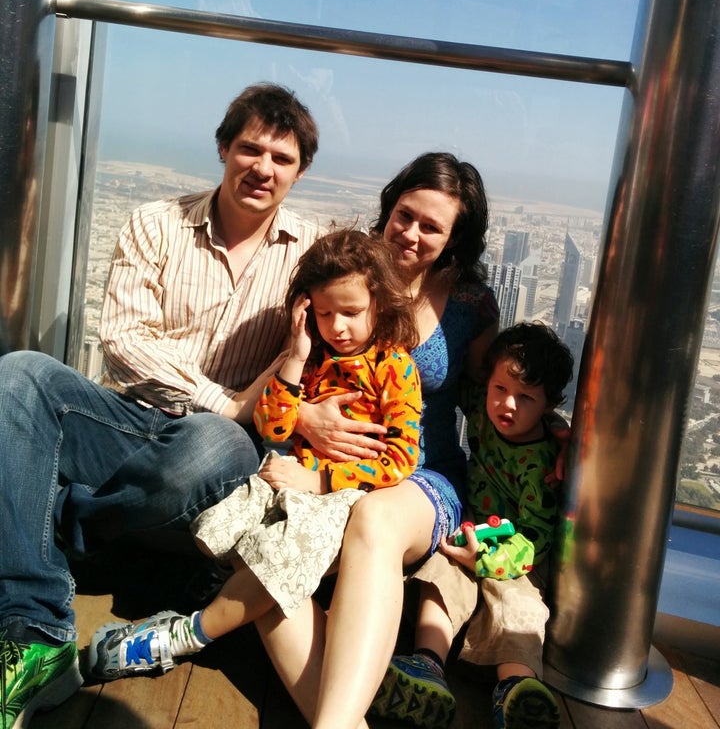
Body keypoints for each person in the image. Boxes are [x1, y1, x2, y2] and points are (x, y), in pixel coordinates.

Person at [0, 83, 383, 729]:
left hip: (221, 452)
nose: (262, 168)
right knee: (21, 376)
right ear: (223, 149)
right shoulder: (157, 223)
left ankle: (68, 520)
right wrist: (227, 403)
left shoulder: (312, 253)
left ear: (301, 170)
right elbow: (124, 344)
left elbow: (368, 306)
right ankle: (35, 629)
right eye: (249, 149)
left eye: (281, 159)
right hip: (130, 420)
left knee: (220, 443)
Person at [87, 228, 422, 678]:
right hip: (287, 479)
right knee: (224, 522)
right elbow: (273, 424)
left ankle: (185, 635)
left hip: (344, 494)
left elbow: (402, 458)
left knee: (280, 553)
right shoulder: (311, 358)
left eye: (351, 312)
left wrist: (322, 481)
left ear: (379, 304)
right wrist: (296, 357)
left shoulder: (395, 367)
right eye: (324, 313)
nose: (337, 326)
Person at [253, 152, 500, 729]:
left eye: (432, 226)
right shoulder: (345, 269)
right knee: (267, 555)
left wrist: (546, 435)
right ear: (389, 207)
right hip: (317, 461)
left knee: (376, 518)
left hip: (418, 475)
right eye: (404, 215)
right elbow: (289, 366)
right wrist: (307, 416)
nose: (411, 234)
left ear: (455, 238)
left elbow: (490, 388)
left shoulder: (468, 302)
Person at [378, 322, 574, 729]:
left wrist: (485, 560)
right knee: (442, 576)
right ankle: (426, 663)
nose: (508, 405)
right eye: (500, 389)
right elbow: (456, 388)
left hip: (517, 558)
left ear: (547, 404)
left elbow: (535, 538)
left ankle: (518, 687)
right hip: (468, 535)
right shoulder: (485, 411)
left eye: (526, 398)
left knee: (517, 603)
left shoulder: (540, 464)